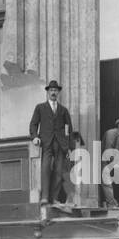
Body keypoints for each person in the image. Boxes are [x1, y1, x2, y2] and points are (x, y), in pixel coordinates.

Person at [29, 80, 74, 209]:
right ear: (48, 92)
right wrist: (35, 137)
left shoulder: (63, 110)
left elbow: (68, 129)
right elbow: (33, 124)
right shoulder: (40, 108)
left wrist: (69, 147)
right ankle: (44, 198)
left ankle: (54, 198)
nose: (53, 92)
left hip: (60, 144)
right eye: (51, 90)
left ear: (58, 92)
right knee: (45, 168)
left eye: (55, 90)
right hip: (46, 142)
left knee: (59, 171)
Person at [100, 115, 119, 207]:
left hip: (112, 161)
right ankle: (112, 204)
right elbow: (108, 150)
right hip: (105, 160)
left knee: (113, 182)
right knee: (107, 182)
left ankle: (111, 202)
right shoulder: (111, 133)